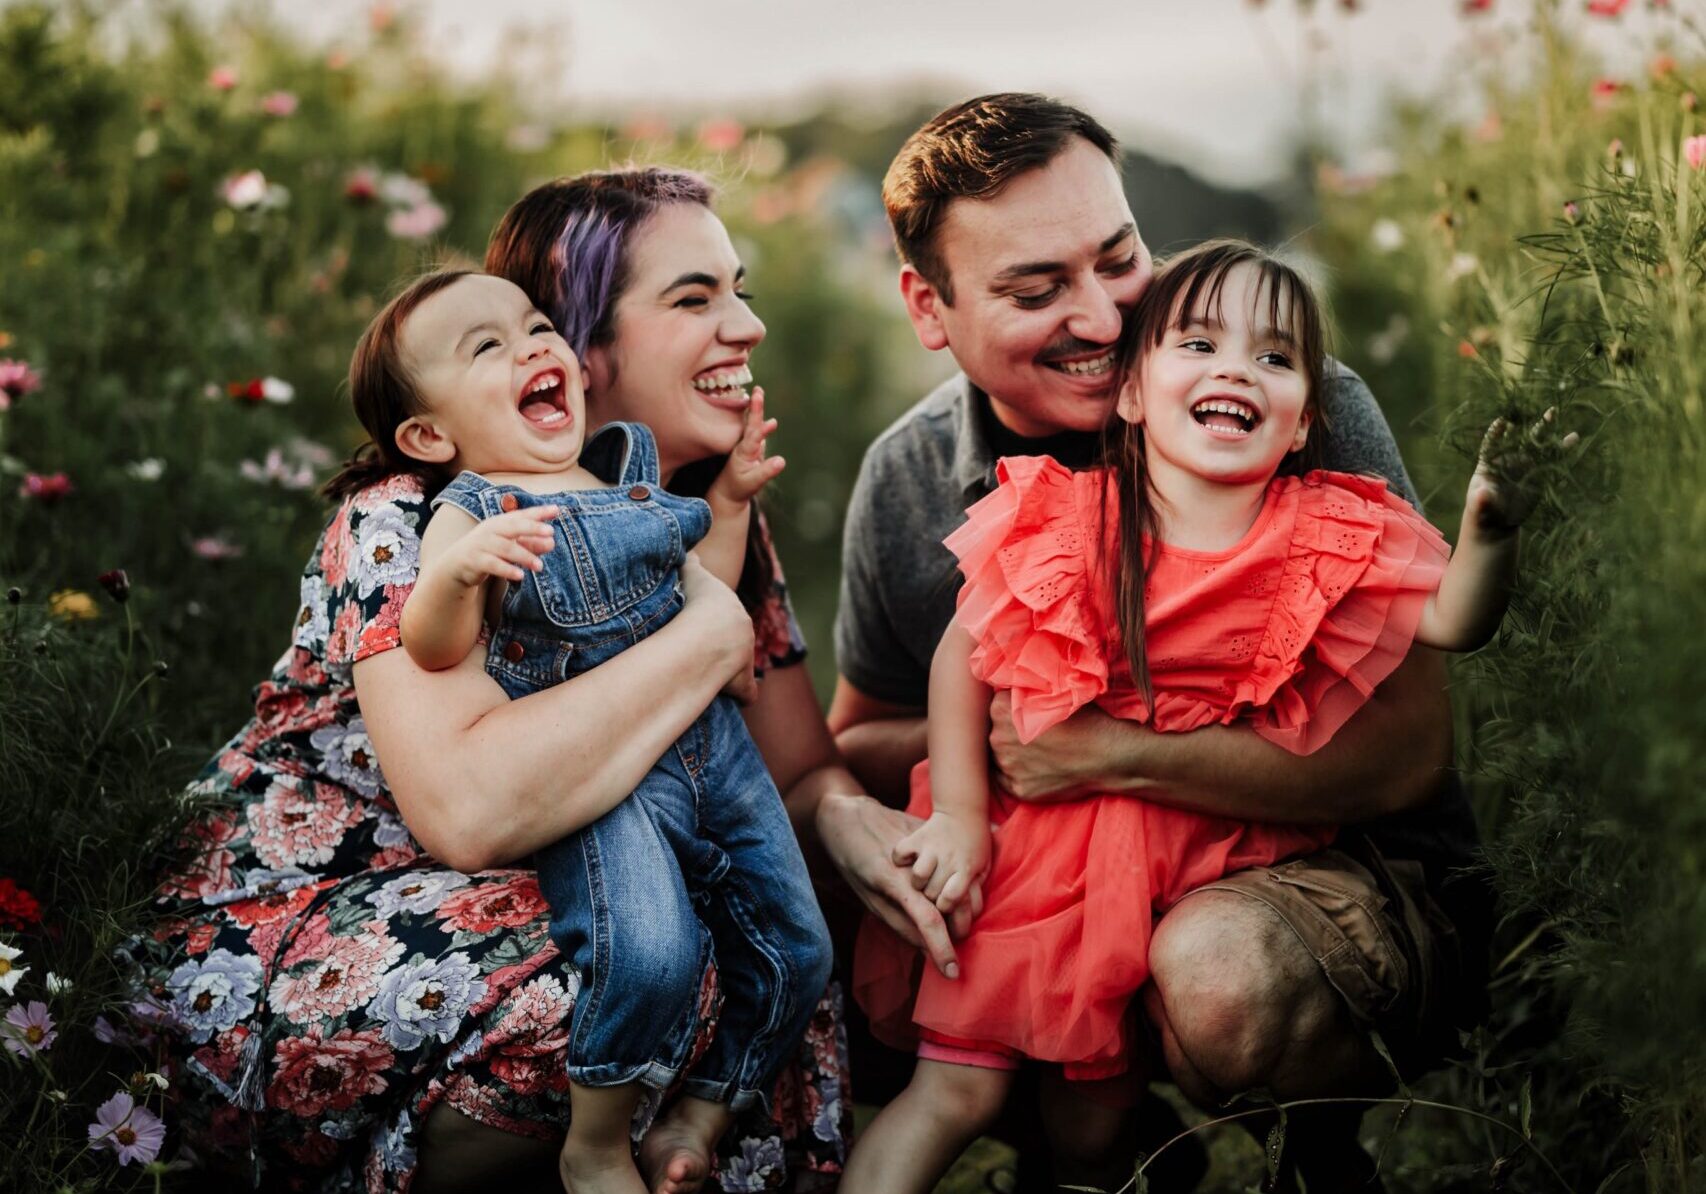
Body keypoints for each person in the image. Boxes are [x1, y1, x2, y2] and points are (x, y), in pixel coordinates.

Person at [125, 168, 858, 1194]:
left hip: (558, 863)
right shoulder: (411, 521)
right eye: (694, 299)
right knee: (648, 953)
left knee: (780, 933)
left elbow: (794, 768)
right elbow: (471, 812)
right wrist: (703, 638)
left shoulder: (688, 508)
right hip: (324, 912)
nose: (747, 326)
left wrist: (856, 821)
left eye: (739, 288)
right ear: (585, 337)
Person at [827, 93, 1496, 1192]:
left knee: (1216, 978)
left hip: (1321, 871)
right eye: (1034, 290)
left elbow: (1407, 755)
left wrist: (1110, 752)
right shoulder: (907, 481)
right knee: (797, 863)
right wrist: (969, 777)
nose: (1099, 317)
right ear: (927, 306)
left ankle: (1320, 1149)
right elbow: (860, 740)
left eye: (1117, 256)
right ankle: (1080, 1153)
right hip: (1051, 878)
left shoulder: (1287, 399)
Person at [380, 266, 832, 1194]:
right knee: (648, 947)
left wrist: (734, 503)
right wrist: (455, 579)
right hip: (611, 778)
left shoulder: (629, 470)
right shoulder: (470, 511)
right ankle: (595, 1143)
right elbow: (432, 648)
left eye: (538, 326)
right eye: (489, 347)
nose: (534, 348)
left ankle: (703, 1113)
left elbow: (699, 589)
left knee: (800, 943)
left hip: (716, 751)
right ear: (432, 434)